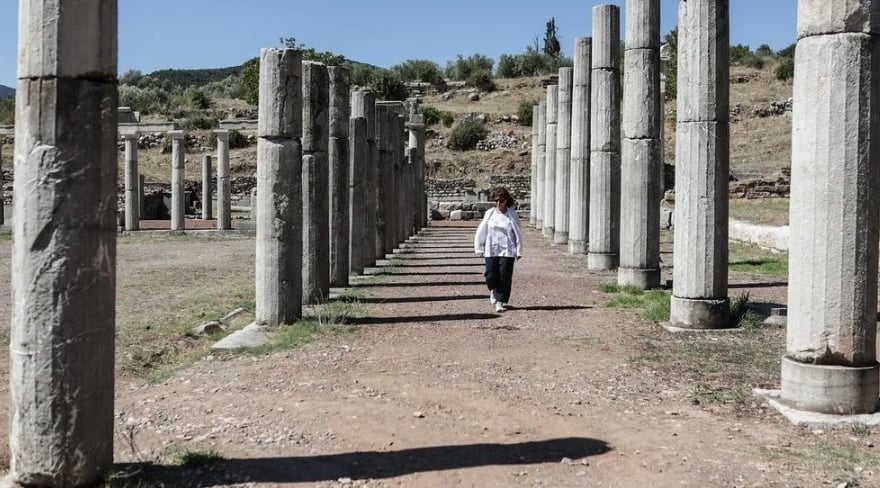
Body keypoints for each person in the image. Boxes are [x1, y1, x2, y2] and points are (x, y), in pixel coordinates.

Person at [474, 187, 524, 313]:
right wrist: (479, 247)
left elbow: (517, 233)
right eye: (496, 200)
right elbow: (482, 230)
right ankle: (493, 290)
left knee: (504, 275)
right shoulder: (490, 213)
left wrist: (519, 250)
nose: (498, 203)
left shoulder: (512, 214)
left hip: (507, 249)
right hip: (491, 248)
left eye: (501, 200)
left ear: (506, 200)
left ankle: (500, 301)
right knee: (490, 274)